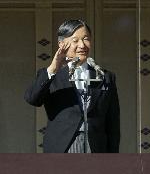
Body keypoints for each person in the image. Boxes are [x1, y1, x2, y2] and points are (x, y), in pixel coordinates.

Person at [25, 20, 120, 153]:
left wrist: (113, 157)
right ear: (62, 44)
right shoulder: (51, 75)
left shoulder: (106, 77)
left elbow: (113, 123)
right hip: (63, 147)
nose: (82, 45)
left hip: (96, 147)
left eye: (86, 39)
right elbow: (32, 99)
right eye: (75, 40)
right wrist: (53, 68)